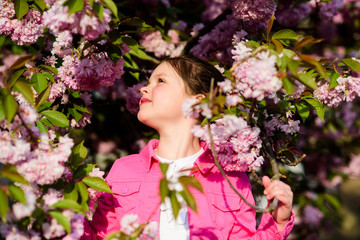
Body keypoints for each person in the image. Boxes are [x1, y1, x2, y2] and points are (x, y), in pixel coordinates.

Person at [81, 56, 294, 240]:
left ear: (196, 102)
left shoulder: (230, 178)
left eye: (160, 80)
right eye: (149, 81)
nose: (144, 88)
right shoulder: (124, 170)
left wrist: (277, 221)